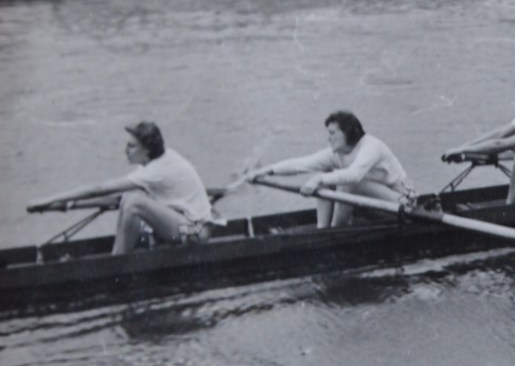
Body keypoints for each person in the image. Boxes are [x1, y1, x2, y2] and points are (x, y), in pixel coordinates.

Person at [28, 121, 216, 255]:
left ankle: (117, 263)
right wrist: (65, 205)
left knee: (133, 201)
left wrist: (46, 200)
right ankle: (121, 257)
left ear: (147, 150)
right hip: (184, 226)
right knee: (130, 198)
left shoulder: (157, 170)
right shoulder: (157, 161)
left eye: (131, 146)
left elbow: (98, 188)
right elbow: (115, 200)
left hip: (196, 234)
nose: (125, 150)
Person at [247, 111, 415, 228]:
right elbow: (302, 163)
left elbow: (354, 175)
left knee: (346, 183)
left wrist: (318, 180)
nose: (329, 138)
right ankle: (323, 230)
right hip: (373, 205)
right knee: (327, 174)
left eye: (333, 133)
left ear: (348, 133)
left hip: (403, 206)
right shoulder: (337, 153)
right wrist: (266, 171)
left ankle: (335, 231)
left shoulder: (371, 147)